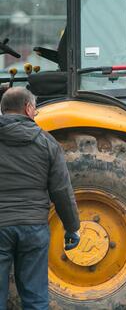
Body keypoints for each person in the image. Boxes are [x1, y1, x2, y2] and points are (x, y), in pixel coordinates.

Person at [0, 87, 80, 308]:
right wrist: (72, 227)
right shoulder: (47, 142)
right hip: (33, 228)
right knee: (35, 297)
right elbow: (61, 191)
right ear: (27, 108)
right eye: (34, 108)